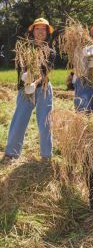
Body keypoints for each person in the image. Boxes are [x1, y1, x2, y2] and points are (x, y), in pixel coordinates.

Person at [4, 18, 55, 160]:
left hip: (43, 88)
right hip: (25, 89)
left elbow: (45, 73)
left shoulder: (50, 52)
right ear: (32, 31)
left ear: (47, 32)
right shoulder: (24, 48)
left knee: (45, 121)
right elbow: (20, 68)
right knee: (19, 118)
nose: (40, 32)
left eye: (43, 29)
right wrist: (25, 80)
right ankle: (11, 153)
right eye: (37, 29)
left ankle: (46, 155)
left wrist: (35, 83)